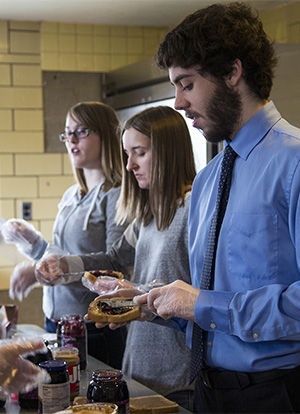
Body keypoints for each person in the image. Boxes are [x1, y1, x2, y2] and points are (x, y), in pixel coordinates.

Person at [124, 2, 300, 413]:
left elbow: (212, 304)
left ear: (232, 73)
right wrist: (160, 305)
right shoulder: (207, 180)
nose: (178, 103)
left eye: (186, 84)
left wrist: (201, 304)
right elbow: (210, 304)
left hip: (277, 394)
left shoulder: (293, 164)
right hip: (206, 390)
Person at [35, 106, 196, 411]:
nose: (130, 165)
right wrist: (64, 266)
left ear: (168, 153)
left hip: (178, 376)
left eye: (140, 153)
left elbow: (193, 291)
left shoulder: (193, 210)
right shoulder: (148, 216)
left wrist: (136, 293)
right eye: (126, 154)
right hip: (138, 366)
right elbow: (114, 257)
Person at [2, 102, 128, 369]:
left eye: (81, 131)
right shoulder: (72, 194)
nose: (71, 139)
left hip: (93, 327)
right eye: (67, 132)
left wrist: (42, 272)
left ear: (105, 135)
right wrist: (31, 241)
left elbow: (115, 266)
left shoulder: (115, 195)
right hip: (57, 320)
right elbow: (62, 252)